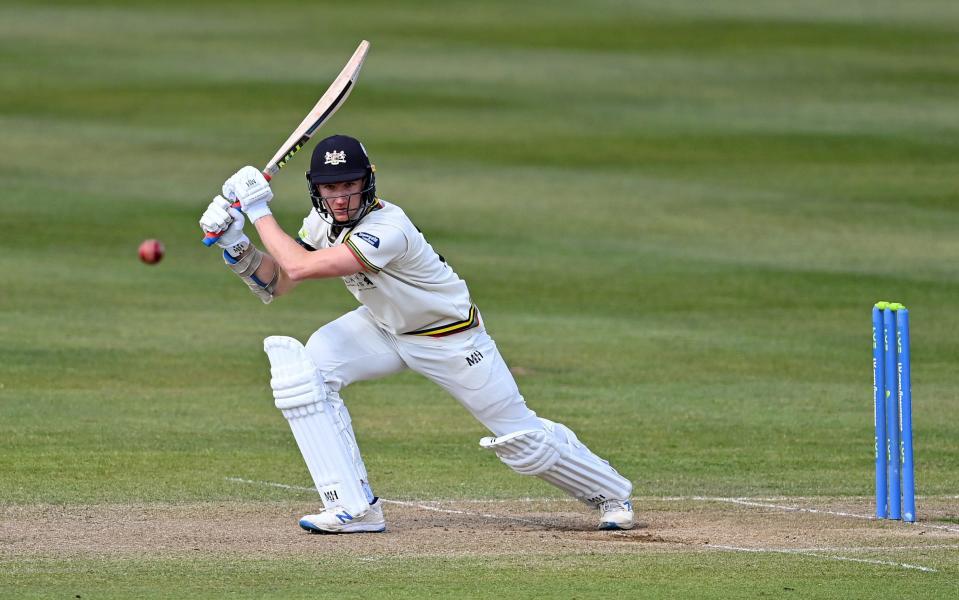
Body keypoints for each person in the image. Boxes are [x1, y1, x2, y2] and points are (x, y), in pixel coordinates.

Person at [198, 135, 634, 533]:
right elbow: (277, 283)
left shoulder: (388, 228)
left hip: (451, 339)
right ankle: (354, 508)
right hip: (384, 328)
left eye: (349, 185)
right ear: (317, 189)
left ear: (368, 182)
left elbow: (300, 267)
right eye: (331, 188)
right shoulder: (319, 222)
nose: (341, 197)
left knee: (522, 441)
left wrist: (256, 209)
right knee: (307, 371)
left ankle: (612, 493)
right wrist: (235, 244)